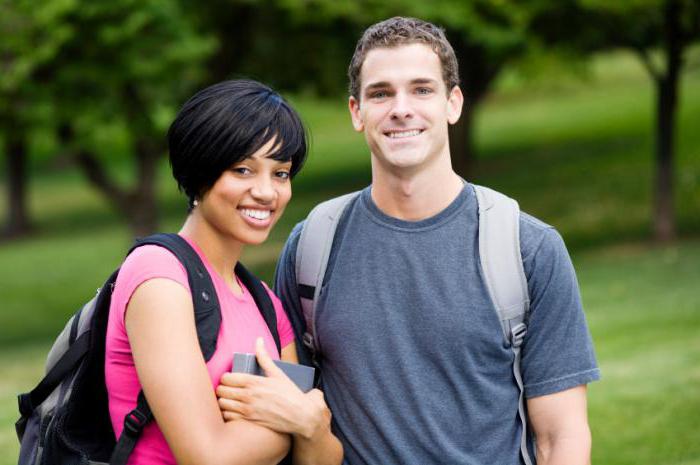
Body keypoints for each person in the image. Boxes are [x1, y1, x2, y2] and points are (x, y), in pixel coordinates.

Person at [218, 17, 600, 465]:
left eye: (422, 89)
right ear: (357, 112)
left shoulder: (527, 247)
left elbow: (562, 438)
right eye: (381, 93)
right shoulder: (312, 247)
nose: (401, 109)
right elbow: (291, 416)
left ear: (453, 103)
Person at [104, 79, 343, 465]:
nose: (267, 192)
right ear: (200, 173)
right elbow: (208, 457)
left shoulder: (266, 304)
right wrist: (295, 421)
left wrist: (312, 425)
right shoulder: (159, 276)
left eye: (280, 173)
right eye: (243, 170)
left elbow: (321, 457)